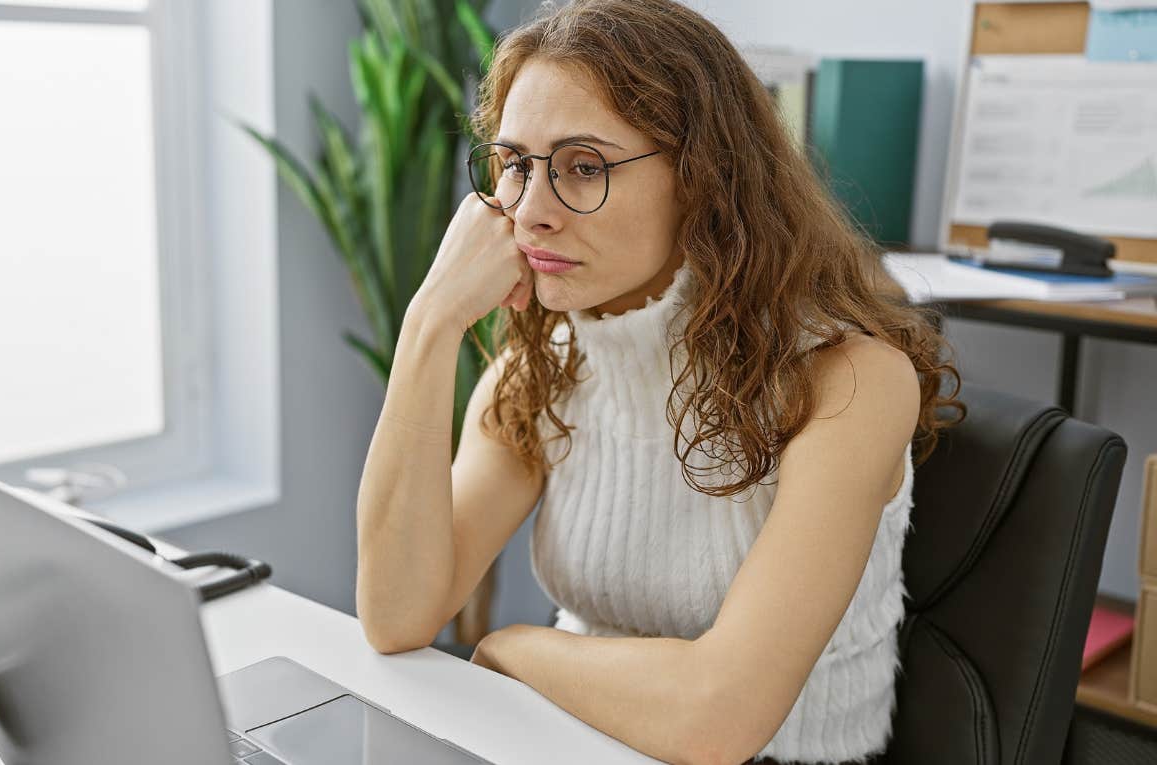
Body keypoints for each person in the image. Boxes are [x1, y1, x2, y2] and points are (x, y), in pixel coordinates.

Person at [355, 1, 964, 763]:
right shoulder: (542, 369)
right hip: (568, 742)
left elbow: (719, 717)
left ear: (703, 178)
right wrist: (429, 325)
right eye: (514, 165)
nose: (531, 211)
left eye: (584, 167)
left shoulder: (848, 381)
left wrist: (514, 647)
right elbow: (396, 614)